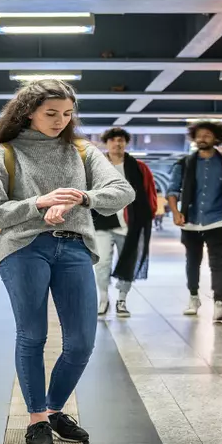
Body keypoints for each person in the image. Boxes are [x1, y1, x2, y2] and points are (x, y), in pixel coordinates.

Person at [0, 79, 134, 444]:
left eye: (67, 114)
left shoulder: (83, 151)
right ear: (28, 112)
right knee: (32, 335)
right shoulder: (5, 153)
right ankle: (36, 420)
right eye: (51, 113)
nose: (60, 121)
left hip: (75, 247)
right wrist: (39, 202)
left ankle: (54, 410)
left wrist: (82, 196)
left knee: (81, 342)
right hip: (22, 247)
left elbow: (122, 191)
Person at [167, 121, 222, 321]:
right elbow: (172, 190)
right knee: (192, 261)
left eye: (207, 135)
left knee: (218, 262)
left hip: (218, 221)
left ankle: (219, 303)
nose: (202, 139)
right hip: (190, 221)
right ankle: (193, 298)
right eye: (199, 135)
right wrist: (175, 212)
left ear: (217, 139)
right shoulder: (184, 164)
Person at [92, 127, 157, 317]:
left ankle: (122, 300)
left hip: (130, 225)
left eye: (120, 140)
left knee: (128, 261)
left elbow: (149, 193)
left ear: (126, 143)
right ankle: (103, 298)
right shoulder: (97, 166)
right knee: (102, 262)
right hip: (102, 222)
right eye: (112, 140)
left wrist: (145, 217)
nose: (116, 144)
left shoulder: (138, 168)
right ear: (107, 143)